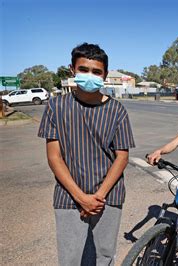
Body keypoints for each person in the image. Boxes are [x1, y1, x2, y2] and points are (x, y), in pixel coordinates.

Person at [38, 43, 135, 265]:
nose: (89, 75)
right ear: (72, 70)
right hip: (68, 196)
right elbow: (54, 157)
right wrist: (81, 198)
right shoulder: (56, 106)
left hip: (108, 197)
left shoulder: (117, 110)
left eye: (96, 72)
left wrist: (98, 197)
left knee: (104, 256)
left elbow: (122, 157)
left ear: (105, 75)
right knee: (70, 258)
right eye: (83, 69)